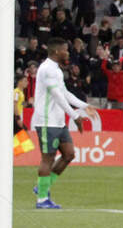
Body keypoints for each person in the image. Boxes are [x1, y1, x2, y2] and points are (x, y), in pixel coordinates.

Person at [33, 38, 94, 209]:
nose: (68, 52)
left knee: (69, 154)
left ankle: (41, 187)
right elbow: (57, 96)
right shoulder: (46, 69)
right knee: (48, 159)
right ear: (56, 51)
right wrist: (75, 116)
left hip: (59, 122)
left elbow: (65, 93)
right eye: (65, 50)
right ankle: (42, 200)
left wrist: (84, 106)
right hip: (47, 121)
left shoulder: (57, 70)